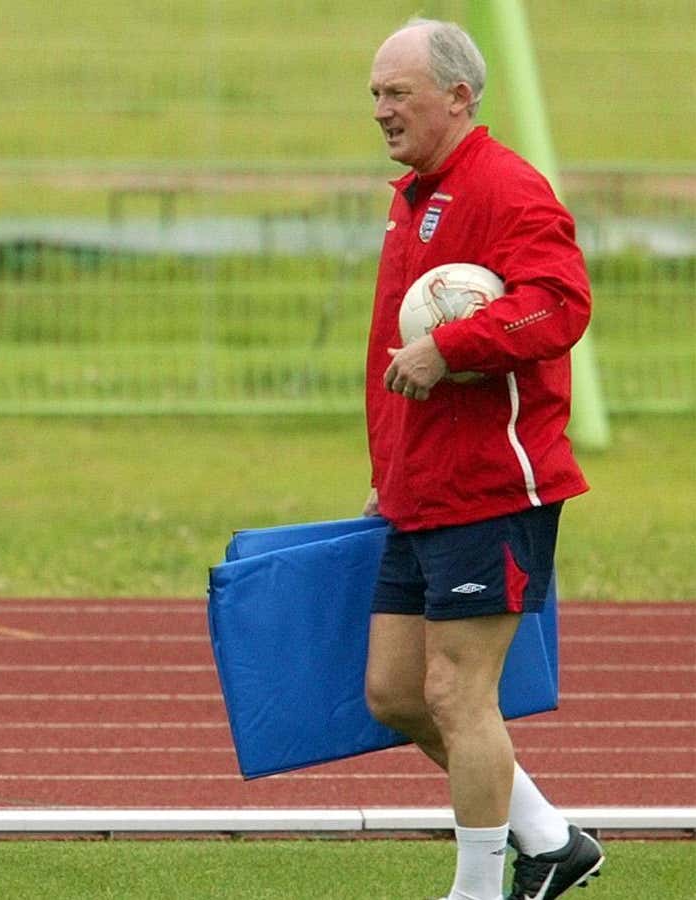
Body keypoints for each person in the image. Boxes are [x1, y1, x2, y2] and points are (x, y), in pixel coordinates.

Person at [361, 18, 605, 900]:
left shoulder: (507, 188)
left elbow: (559, 308)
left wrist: (456, 346)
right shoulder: (415, 194)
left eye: (399, 94)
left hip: (491, 486)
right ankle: (549, 839)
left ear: (459, 98)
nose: (382, 111)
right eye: (377, 95)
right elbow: (396, 362)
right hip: (419, 487)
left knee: (460, 695)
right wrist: (389, 470)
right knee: (396, 692)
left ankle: (475, 890)